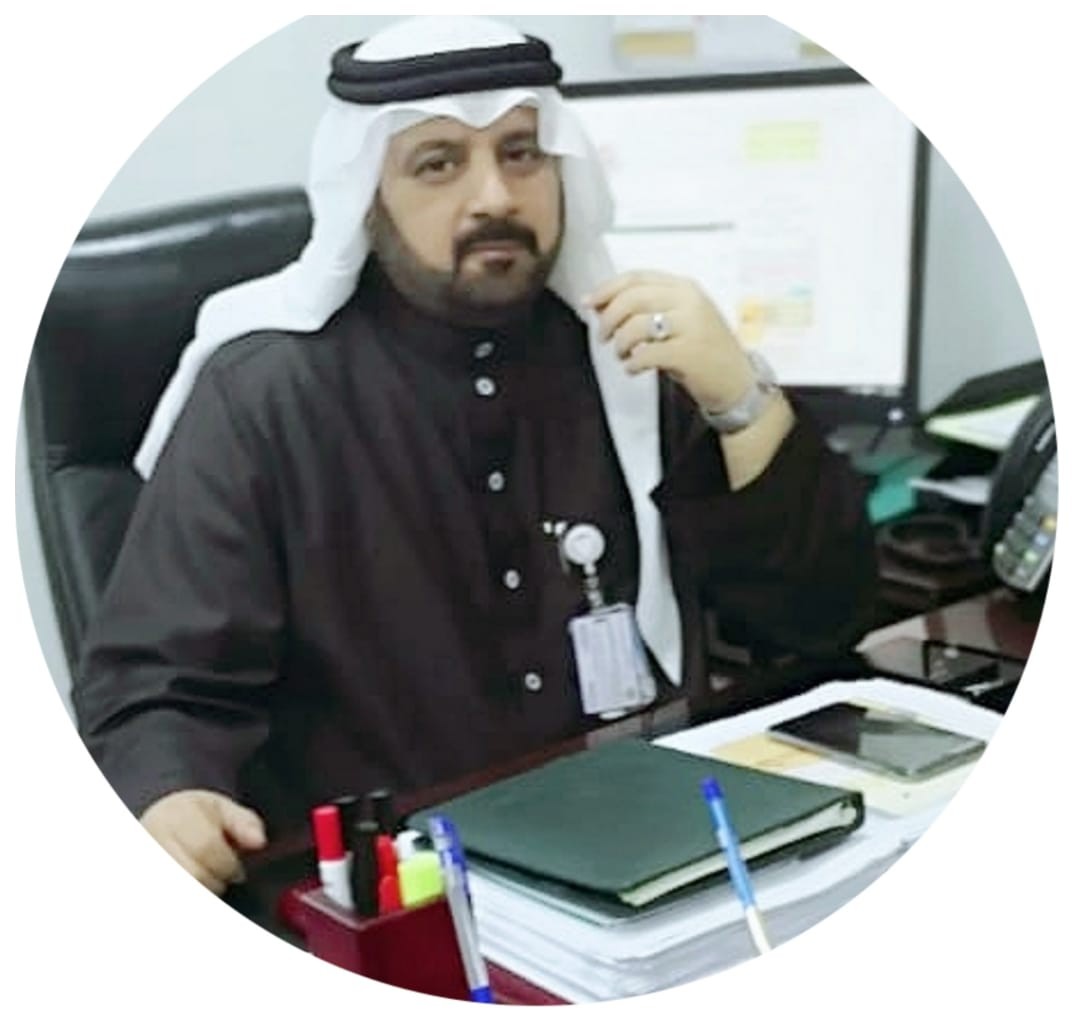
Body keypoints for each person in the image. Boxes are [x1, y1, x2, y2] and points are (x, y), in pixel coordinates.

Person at [75, 16, 877, 895]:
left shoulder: (627, 358)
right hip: (396, 888)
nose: (494, 196)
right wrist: (172, 795)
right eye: (438, 163)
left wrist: (740, 400)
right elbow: (158, 685)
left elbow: (812, 622)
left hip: (643, 844)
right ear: (368, 195)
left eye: (521, 154)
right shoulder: (267, 394)